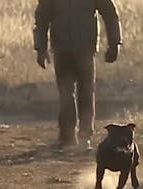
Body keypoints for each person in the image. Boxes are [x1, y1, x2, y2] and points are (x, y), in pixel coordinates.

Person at [33, 0, 122, 150]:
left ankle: (83, 136)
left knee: (83, 91)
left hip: (83, 49)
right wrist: (40, 49)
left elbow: (110, 14)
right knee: (68, 92)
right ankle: (69, 137)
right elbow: (41, 18)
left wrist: (115, 43)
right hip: (64, 49)